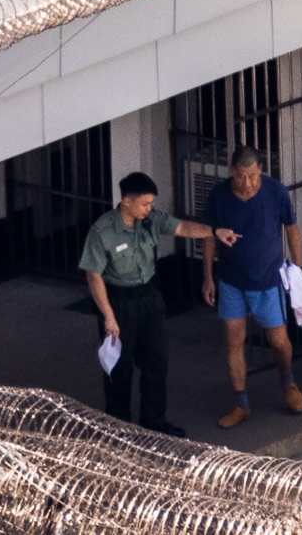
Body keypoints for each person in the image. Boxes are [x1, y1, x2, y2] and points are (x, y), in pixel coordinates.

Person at [80, 171, 240, 437]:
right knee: (119, 368)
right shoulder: (103, 231)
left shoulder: (151, 220)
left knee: (156, 362)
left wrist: (213, 231)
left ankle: (154, 421)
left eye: (151, 204)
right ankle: (118, 428)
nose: (149, 208)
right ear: (127, 202)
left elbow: (182, 227)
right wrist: (108, 316)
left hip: (149, 297)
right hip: (119, 300)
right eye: (144, 204)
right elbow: (93, 275)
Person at [201, 146, 302, 429]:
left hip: (267, 281)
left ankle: (288, 383)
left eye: (252, 176)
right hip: (231, 281)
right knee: (234, 342)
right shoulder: (219, 195)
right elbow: (209, 237)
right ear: (231, 172)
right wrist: (208, 277)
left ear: (260, 170)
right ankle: (241, 404)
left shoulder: (276, 192)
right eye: (240, 177)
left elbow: (292, 229)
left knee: (279, 342)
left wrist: (297, 270)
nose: (246, 183)